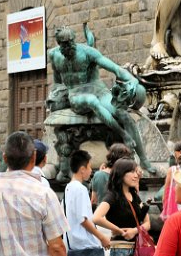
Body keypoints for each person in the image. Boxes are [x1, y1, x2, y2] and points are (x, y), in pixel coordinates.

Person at [47, 26, 154, 173]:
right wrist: (57, 96)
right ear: (59, 44)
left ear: (74, 40)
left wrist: (132, 80)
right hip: (77, 95)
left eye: (70, 42)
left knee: (123, 114)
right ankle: (124, 135)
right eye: (64, 44)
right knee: (91, 101)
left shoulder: (87, 52)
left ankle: (144, 160)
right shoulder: (54, 55)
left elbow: (115, 69)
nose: (68, 46)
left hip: (99, 91)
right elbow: (58, 82)